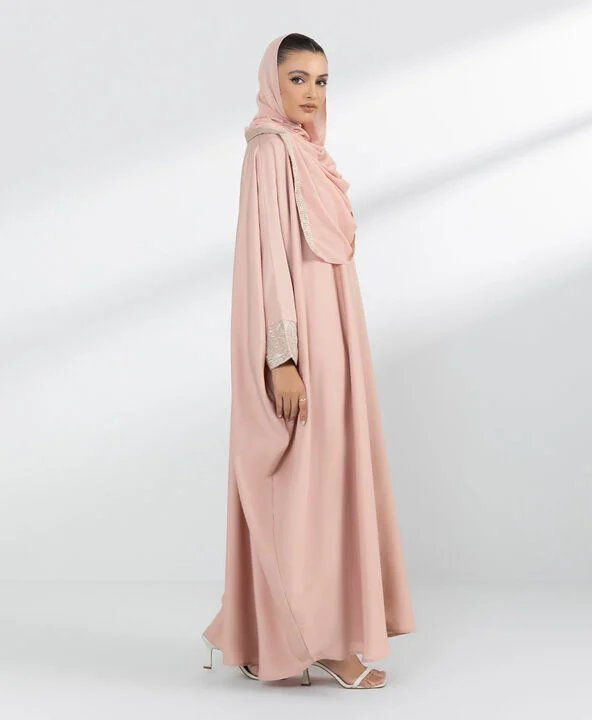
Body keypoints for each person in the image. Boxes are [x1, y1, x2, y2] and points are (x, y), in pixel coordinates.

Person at [202, 32, 415, 690]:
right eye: (298, 79)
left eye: (322, 81)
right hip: (301, 342)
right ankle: (315, 640)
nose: (312, 94)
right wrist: (282, 358)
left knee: (328, 482)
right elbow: (270, 255)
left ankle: (262, 639)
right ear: (273, 82)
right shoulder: (270, 150)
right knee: (304, 488)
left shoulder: (309, 153)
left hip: (336, 333)